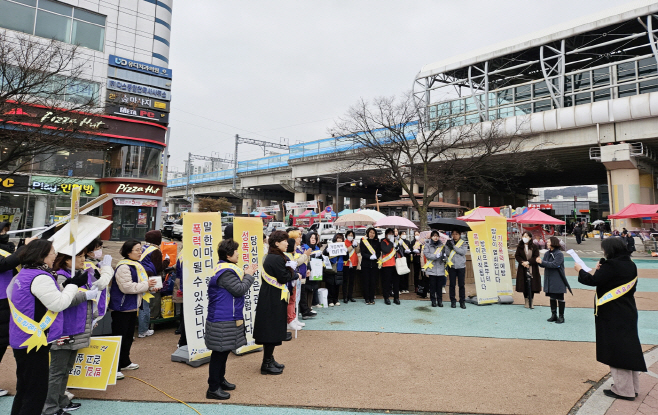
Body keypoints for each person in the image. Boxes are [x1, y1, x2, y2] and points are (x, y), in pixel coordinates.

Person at [8, 240, 79, 415]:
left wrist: (67, 285)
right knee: (36, 392)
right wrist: (72, 285)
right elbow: (58, 303)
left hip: (22, 337)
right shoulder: (40, 277)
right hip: (35, 341)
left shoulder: (24, 273)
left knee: (24, 389)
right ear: (42, 256)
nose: (55, 255)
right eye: (52, 252)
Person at [576, 237, 647, 401]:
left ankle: (623, 390)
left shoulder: (612, 265)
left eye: (604, 249)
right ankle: (633, 388)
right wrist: (601, 268)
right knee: (629, 349)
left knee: (616, 350)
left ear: (610, 250)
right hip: (628, 310)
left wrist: (580, 269)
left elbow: (593, 280)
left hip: (612, 313)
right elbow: (610, 281)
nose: (603, 252)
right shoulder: (630, 264)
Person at [43, 249, 112, 415]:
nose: (83, 259)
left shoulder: (80, 273)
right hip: (65, 329)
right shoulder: (61, 276)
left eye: (83, 256)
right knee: (57, 371)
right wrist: (87, 295)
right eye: (79, 256)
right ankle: (50, 407)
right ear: (67, 261)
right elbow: (62, 300)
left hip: (77, 327)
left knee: (66, 369)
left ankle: (61, 401)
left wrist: (93, 317)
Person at [205, 239, 257, 400]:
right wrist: (249, 275)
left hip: (225, 316)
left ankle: (220, 380)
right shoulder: (226, 272)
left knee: (224, 350)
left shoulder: (224, 269)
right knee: (219, 353)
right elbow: (239, 290)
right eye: (236, 252)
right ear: (228, 255)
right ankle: (213, 388)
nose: (239, 254)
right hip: (222, 318)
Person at [109, 239, 158, 380]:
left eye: (140, 249)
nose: (140, 252)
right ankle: (114, 367)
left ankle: (125, 362)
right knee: (119, 337)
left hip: (131, 306)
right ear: (128, 251)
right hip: (122, 307)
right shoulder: (124, 267)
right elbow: (127, 287)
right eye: (137, 249)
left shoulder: (135, 264)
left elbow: (138, 285)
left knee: (128, 336)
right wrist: (146, 285)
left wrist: (149, 286)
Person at [253, 231, 298, 375]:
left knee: (271, 329)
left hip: (271, 296)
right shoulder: (276, 258)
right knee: (270, 330)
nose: (287, 243)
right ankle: (266, 363)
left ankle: (269, 359)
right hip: (272, 298)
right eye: (284, 241)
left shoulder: (273, 257)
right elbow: (284, 277)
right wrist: (294, 272)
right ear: (276, 243)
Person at [0, 236, 36, 397]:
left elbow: (11, 260)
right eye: (2, 231)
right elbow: (5, 264)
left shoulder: (5, 249)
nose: (5, 234)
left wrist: (21, 246)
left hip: (6, 300)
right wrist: (25, 248)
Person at [138, 230, 169, 338]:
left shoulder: (142, 248)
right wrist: (167, 261)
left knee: (142, 304)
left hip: (141, 277)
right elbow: (159, 267)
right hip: (151, 279)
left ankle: (142, 328)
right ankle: (144, 329)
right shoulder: (155, 250)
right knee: (148, 305)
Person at [537, 236, 567, 324]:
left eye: (549, 242)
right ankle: (554, 315)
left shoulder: (559, 254)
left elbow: (555, 264)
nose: (547, 243)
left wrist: (542, 262)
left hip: (558, 278)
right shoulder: (547, 253)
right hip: (549, 278)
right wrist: (539, 262)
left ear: (554, 243)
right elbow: (544, 264)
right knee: (552, 297)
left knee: (560, 297)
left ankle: (561, 316)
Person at [290, 231, 315, 320]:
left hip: (303, 274)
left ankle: (305, 311)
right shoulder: (293, 250)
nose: (300, 239)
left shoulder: (300, 247)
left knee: (302, 294)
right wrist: (305, 255)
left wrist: (308, 268)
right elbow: (296, 263)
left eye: (300, 237)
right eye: (298, 237)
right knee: (297, 296)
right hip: (297, 275)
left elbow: (305, 260)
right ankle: (301, 312)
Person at [514, 231, 541, 309]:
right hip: (522, 268)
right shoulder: (520, 246)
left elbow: (536, 256)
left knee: (532, 284)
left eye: (526, 236)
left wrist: (528, 262)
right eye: (523, 236)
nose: (524, 238)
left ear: (530, 237)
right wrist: (523, 262)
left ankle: (531, 301)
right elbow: (517, 256)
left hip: (533, 267)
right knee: (524, 284)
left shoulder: (534, 246)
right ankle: (526, 300)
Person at [423, 230, 447, 307]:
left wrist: (445, 257)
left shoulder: (442, 245)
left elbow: (446, 255)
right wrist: (435, 256)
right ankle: (433, 301)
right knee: (432, 286)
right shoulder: (427, 245)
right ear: (431, 237)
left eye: (437, 236)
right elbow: (427, 254)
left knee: (439, 287)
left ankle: (440, 301)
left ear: (439, 237)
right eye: (434, 236)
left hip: (440, 268)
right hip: (432, 268)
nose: (435, 237)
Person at [445, 230, 468, 309]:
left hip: (461, 266)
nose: (455, 235)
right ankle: (453, 301)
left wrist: (453, 247)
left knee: (461, 285)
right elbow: (447, 253)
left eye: (456, 234)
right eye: (453, 234)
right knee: (452, 284)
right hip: (452, 266)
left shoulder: (463, 243)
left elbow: (463, 252)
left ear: (460, 235)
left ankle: (462, 301)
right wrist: (448, 246)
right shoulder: (449, 242)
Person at [323, 233, 346, 306]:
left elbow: (346, 258)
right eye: (338, 238)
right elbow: (324, 254)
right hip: (331, 268)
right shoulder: (330, 245)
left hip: (339, 267)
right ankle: (330, 300)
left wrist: (346, 251)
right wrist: (327, 251)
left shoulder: (343, 247)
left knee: (337, 285)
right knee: (330, 284)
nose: (339, 239)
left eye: (341, 238)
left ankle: (336, 299)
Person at [360, 227, 380, 305]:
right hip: (366, 264)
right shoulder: (363, 241)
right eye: (370, 232)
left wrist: (376, 256)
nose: (372, 234)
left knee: (373, 282)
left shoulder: (377, 242)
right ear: (368, 233)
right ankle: (366, 298)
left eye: (373, 233)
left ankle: (372, 297)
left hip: (374, 265)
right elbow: (362, 253)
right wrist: (369, 257)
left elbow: (378, 252)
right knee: (366, 282)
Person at [302, 232, 322, 311]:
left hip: (316, 270)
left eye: (315, 238)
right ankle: (307, 305)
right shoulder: (304, 247)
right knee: (307, 287)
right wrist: (313, 255)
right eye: (312, 238)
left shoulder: (317, 248)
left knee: (315, 285)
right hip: (307, 269)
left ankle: (314, 302)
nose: (313, 240)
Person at [380, 228, 399, 305]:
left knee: (396, 283)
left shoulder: (396, 241)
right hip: (386, 265)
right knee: (386, 283)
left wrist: (398, 247)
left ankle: (396, 298)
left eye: (392, 234)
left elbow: (401, 251)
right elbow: (386, 250)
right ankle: (386, 297)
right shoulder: (383, 242)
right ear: (386, 235)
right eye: (389, 234)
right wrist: (391, 243)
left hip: (395, 265)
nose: (391, 235)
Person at [342, 230, 359, 303]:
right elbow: (345, 251)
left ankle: (350, 296)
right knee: (345, 281)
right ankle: (345, 296)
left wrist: (357, 245)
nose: (350, 236)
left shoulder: (355, 242)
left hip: (354, 263)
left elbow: (358, 251)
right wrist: (352, 246)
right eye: (349, 235)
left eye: (352, 235)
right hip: (346, 263)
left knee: (352, 281)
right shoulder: (344, 243)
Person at [410, 231, 425, 298]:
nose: (417, 235)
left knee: (422, 273)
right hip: (415, 258)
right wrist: (413, 251)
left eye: (418, 234)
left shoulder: (422, 241)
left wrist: (419, 251)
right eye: (415, 234)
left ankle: (423, 287)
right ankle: (416, 286)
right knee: (416, 274)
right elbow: (410, 249)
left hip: (421, 258)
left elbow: (423, 249)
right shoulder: (413, 242)